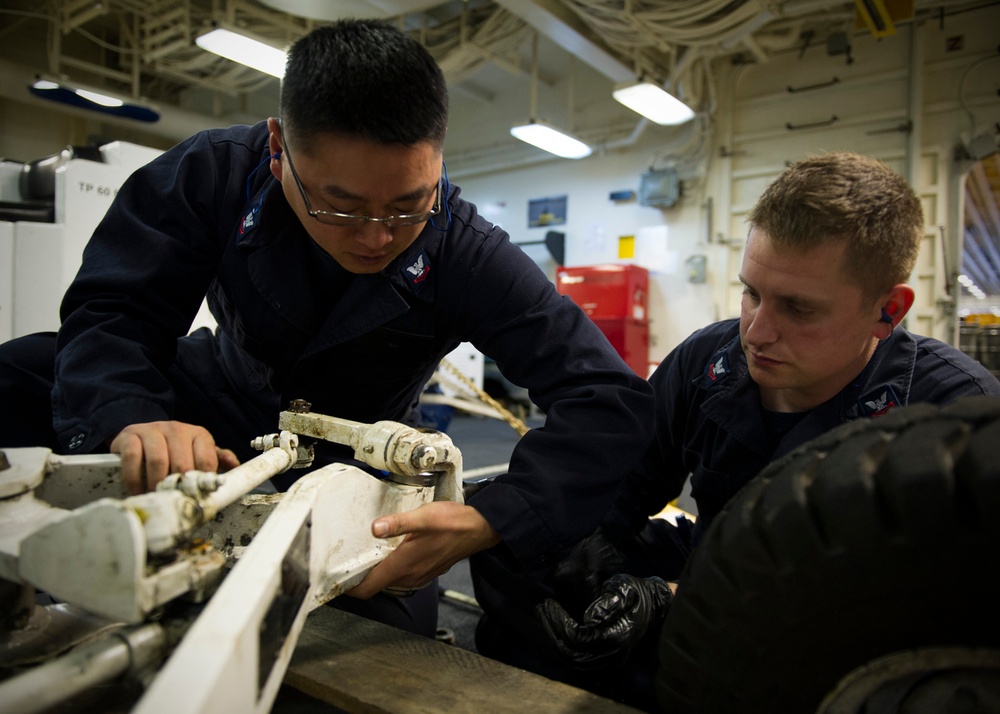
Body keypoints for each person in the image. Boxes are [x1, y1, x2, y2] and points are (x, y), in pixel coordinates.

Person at [0, 20, 655, 639]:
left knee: (385, 637)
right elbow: (118, 310)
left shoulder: (467, 252)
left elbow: (609, 397)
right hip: (212, 405)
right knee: (20, 376)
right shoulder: (215, 173)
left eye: (408, 207)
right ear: (279, 150)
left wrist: (493, 518)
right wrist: (130, 413)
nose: (376, 238)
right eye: (338, 206)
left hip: (359, 458)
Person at [470, 151, 1000, 710]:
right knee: (516, 540)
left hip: (835, 627)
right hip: (712, 562)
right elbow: (618, 487)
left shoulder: (952, 413)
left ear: (887, 310)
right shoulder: (710, 360)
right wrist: (588, 565)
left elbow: (943, 614)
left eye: (798, 308)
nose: (757, 331)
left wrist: (683, 602)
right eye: (752, 292)